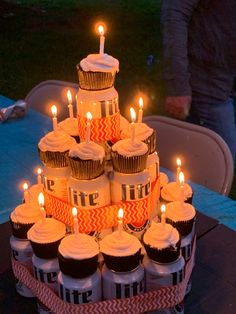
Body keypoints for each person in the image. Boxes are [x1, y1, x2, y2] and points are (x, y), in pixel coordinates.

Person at [161, 0, 236, 161]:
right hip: (207, 84)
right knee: (219, 165)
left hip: (227, 80)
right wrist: (177, 85)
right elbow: (174, 13)